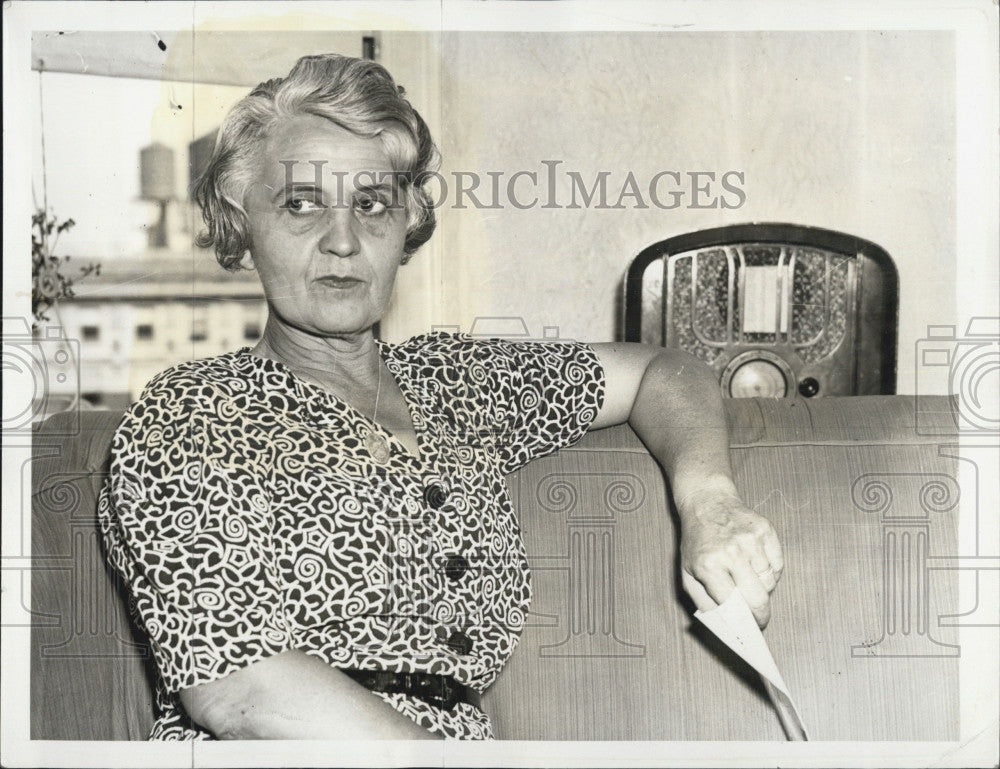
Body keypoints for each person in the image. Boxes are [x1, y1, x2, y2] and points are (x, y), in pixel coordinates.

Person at [98, 53, 783, 741]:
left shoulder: (451, 382)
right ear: (243, 229)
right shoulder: (190, 413)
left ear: (406, 228)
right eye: (302, 204)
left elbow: (665, 371)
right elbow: (240, 690)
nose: (343, 240)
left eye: (372, 204)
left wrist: (710, 503)